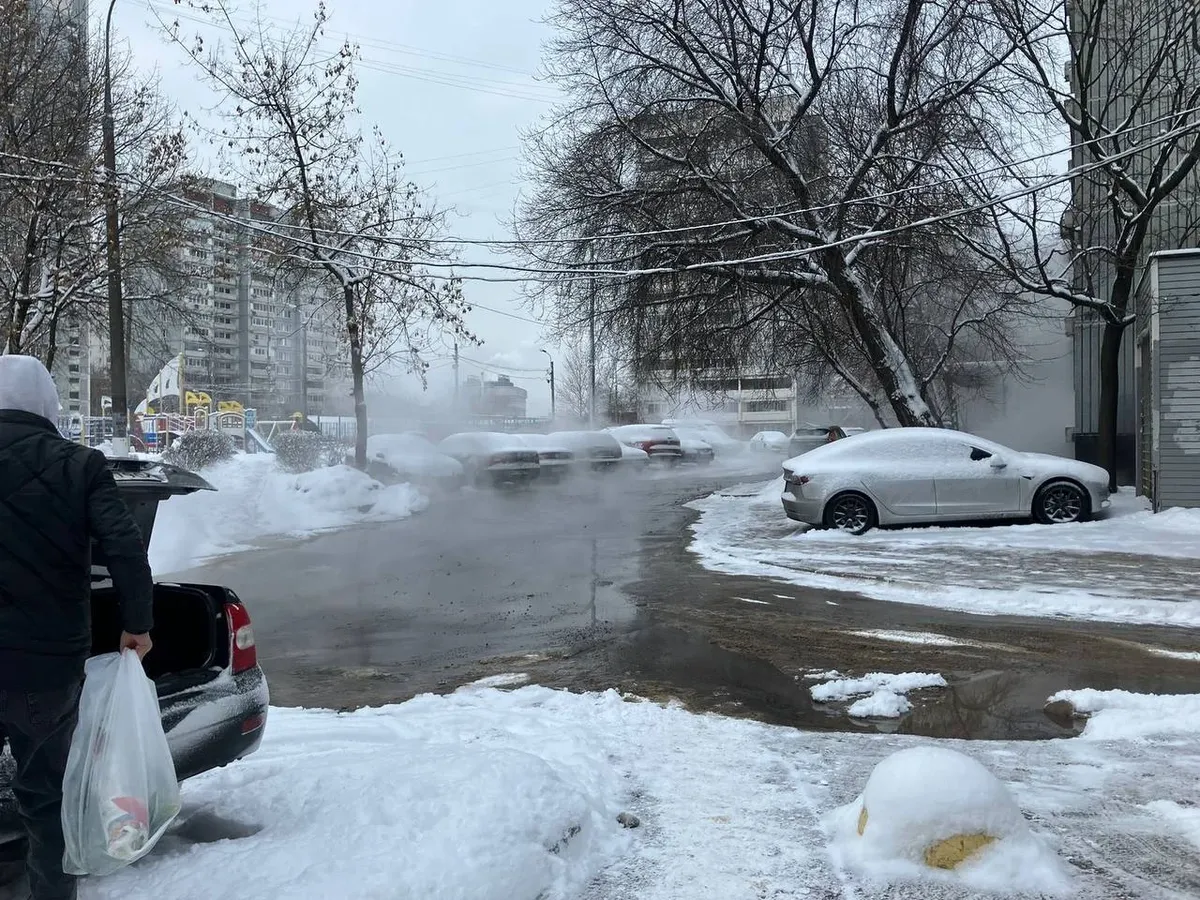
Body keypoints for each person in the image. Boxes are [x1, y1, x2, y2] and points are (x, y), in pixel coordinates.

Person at [0, 356, 154, 900]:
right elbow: (126, 549)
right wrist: (137, 624)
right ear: (46, 403)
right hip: (47, 664)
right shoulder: (81, 465)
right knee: (44, 795)